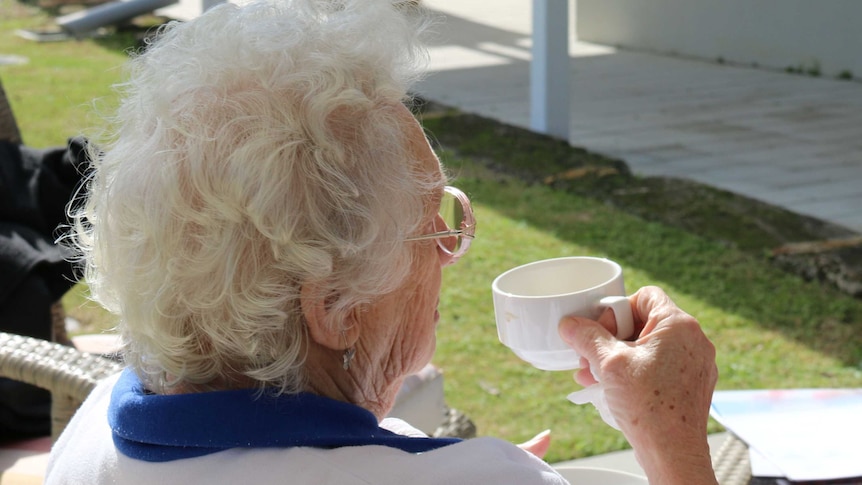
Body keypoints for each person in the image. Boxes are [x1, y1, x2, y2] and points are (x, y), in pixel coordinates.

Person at [45, 0, 719, 483]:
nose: (453, 249)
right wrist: (676, 439)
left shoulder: (92, 428)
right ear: (334, 304)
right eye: (436, 224)